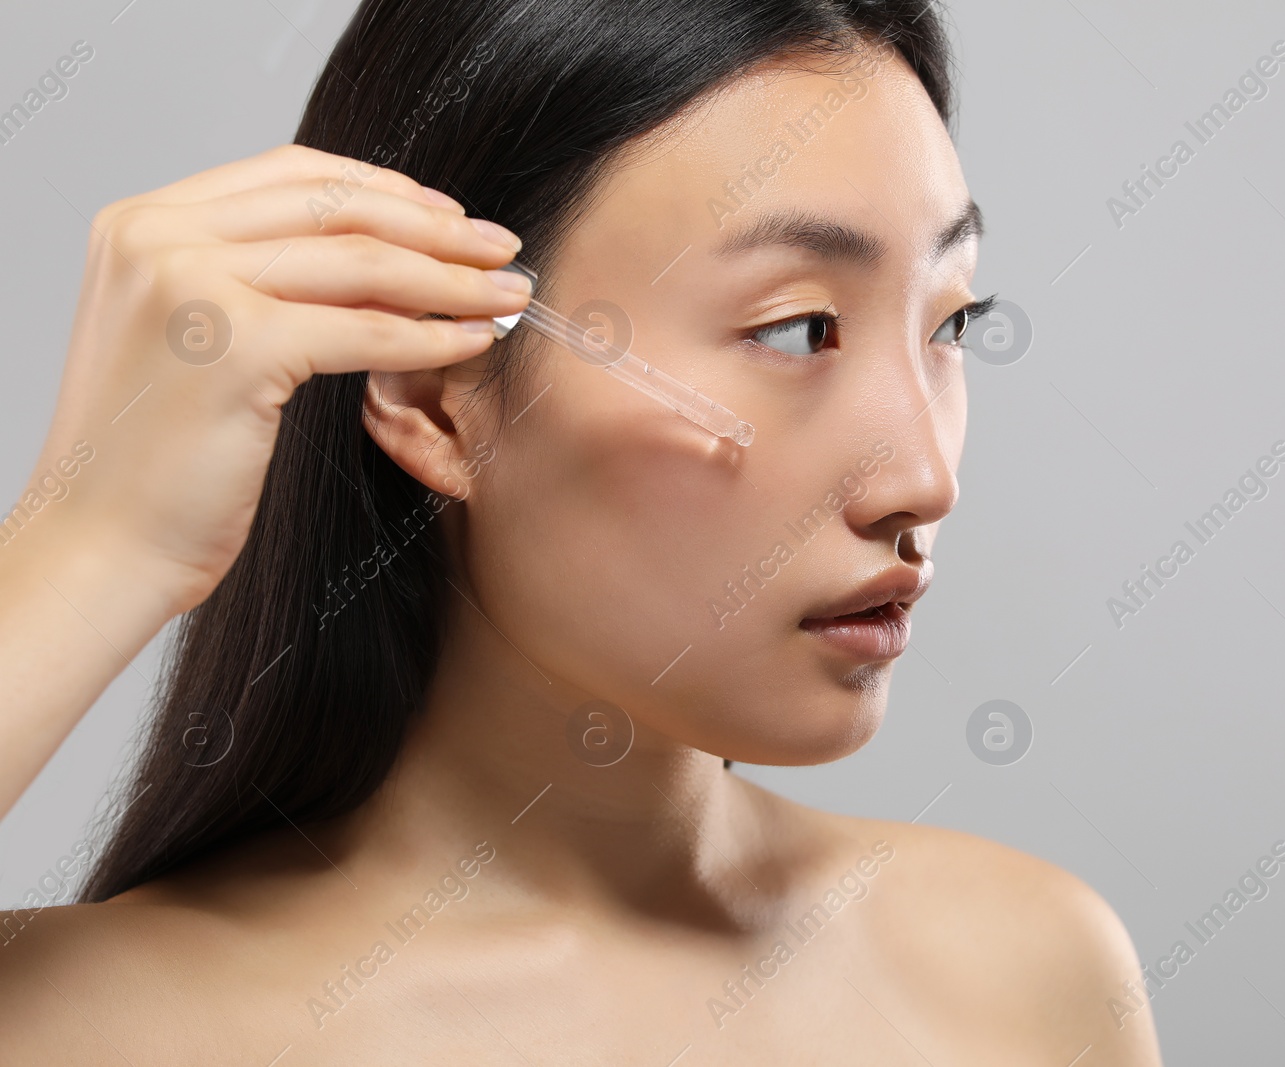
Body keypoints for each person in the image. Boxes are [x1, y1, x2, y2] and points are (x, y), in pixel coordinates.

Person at [0, 0, 1163, 1061]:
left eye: (951, 323)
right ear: (437, 395)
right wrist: (92, 543)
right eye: (801, 328)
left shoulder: (1023, 977)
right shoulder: (85, 1021)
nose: (921, 477)